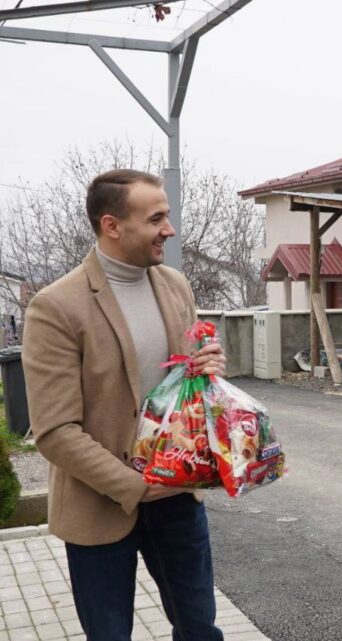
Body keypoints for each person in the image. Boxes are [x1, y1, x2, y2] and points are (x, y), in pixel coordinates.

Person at [22, 169, 227, 641]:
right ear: (112, 225)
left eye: (167, 216)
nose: (169, 230)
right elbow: (54, 431)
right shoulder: (56, 306)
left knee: (200, 629)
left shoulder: (175, 285)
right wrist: (135, 486)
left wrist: (209, 366)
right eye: (156, 218)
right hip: (99, 502)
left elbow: (187, 383)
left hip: (177, 497)